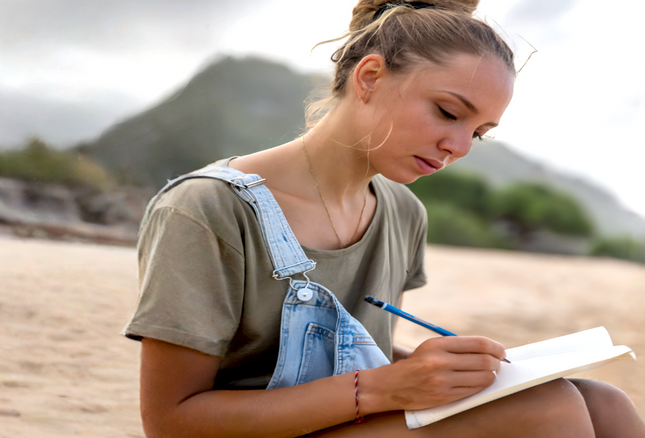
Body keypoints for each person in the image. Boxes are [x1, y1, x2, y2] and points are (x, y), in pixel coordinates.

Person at [123, 0, 645, 436]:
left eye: (479, 132)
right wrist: (384, 387)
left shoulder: (401, 211)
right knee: (549, 410)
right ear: (369, 76)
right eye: (447, 112)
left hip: (344, 419)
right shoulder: (206, 209)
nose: (459, 146)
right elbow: (171, 420)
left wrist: (434, 367)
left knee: (604, 404)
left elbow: (357, 343)